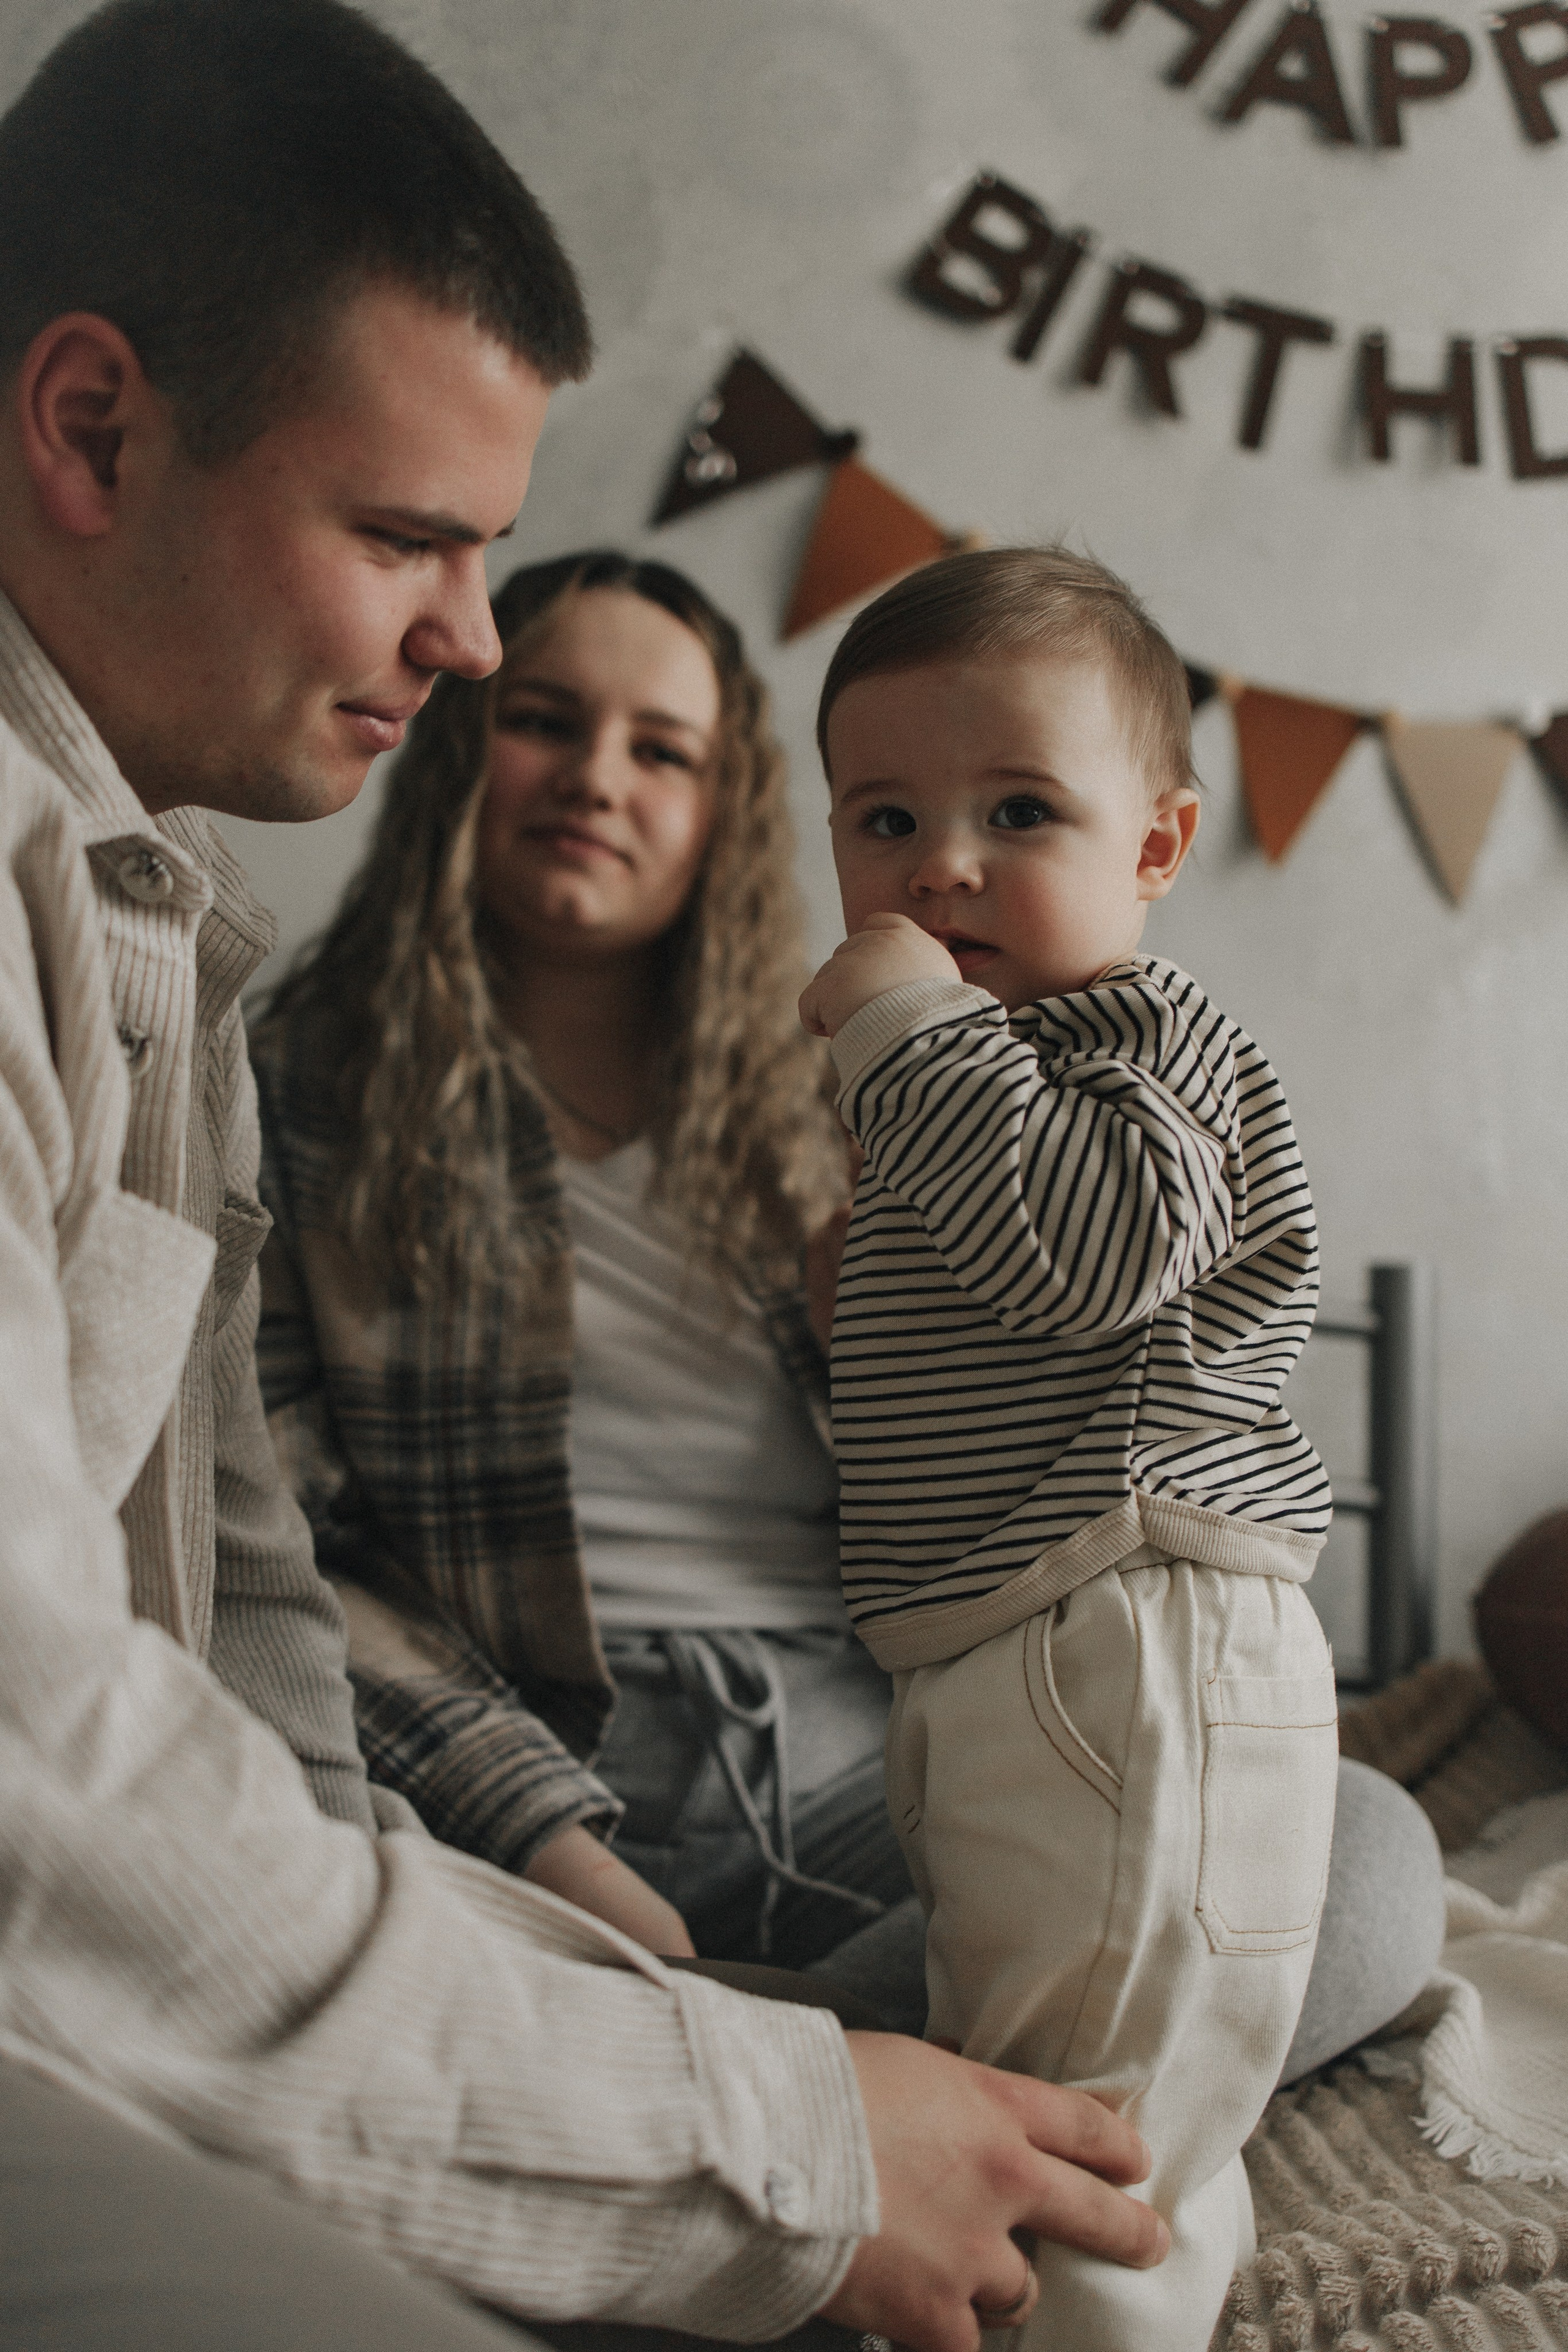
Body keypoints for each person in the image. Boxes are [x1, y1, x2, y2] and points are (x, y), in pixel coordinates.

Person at [0, 9, 1171, 2351]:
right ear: (93, 427)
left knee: (1302, 1866)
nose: (464, 637)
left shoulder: (168, 933)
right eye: (413, 539)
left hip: (835, 1729)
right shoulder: (286, 1028)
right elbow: (110, 1737)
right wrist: (750, 2109)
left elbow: (234, 1629)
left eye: (489, 555)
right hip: (567, 1754)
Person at [796, 545, 1411, 2352]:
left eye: (1019, 811)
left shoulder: (1140, 1034)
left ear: (1154, 849)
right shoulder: (1001, 1063)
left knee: (1076, 2118)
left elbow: (1082, 1255)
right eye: (887, 817)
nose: (944, 867)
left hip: (1120, 1638)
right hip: (1019, 1652)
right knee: (1086, 2083)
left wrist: (901, 1023)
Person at [249, 547, 929, 2021]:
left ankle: (751, 2058)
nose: (596, 777)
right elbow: (278, 1543)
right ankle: (806, 2059)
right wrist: (554, 1849)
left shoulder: (853, 1103)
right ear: (455, 749)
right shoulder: (288, 1090)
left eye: (661, 750)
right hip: (504, 1773)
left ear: (721, 812)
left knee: (1347, 1860)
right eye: (545, 718)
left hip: (858, 1758)